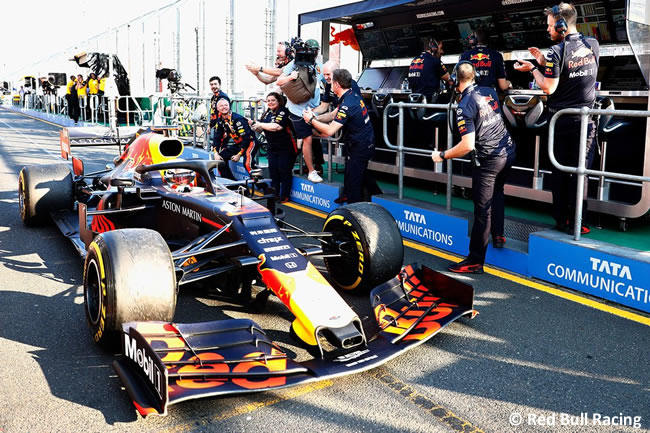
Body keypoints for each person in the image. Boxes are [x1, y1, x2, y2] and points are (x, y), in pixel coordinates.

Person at [514, 2, 599, 234]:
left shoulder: (556, 51)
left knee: (560, 172)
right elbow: (572, 69)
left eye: (550, 26)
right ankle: (579, 220)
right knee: (581, 172)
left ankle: (562, 221)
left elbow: (548, 88)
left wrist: (533, 69)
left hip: (560, 122)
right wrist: (544, 62)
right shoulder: (593, 44)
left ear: (562, 26)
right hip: (586, 121)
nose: (548, 30)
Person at [432, 61, 516, 274]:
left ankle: (475, 261)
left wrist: (442, 155)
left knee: (482, 211)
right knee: (498, 192)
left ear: (455, 79)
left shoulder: (464, 105)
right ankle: (498, 235)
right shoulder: (489, 91)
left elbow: (467, 145)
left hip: (489, 160)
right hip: (509, 151)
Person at [303, 69, 382, 204]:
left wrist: (311, 120)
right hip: (358, 142)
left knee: (354, 181)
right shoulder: (351, 95)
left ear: (337, 85)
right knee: (360, 174)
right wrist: (315, 117)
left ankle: (354, 212)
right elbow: (334, 115)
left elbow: (329, 131)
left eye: (332, 82)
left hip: (361, 145)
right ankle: (378, 199)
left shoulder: (348, 103)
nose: (330, 84)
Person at [276, 38, 324, 183]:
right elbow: (279, 81)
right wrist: (291, 76)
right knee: (307, 139)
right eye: (311, 50)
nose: (313, 54)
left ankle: (317, 165)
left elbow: (324, 81)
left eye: (315, 51)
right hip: (298, 110)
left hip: (314, 109)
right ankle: (311, 171)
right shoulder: (294, 64)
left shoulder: (319, 67)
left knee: (315, 139)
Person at [250, 92, 297, 203]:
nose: (270, 102)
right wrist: (253, 125)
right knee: (273, 172)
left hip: (286, 147)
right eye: (268, 100)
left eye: (273, 100)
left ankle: (285, 195)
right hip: (272, 147)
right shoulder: (267, 114)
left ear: (279, 101)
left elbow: (276, 127)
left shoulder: (283, 111)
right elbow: (261, 130)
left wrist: (260, 124)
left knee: (284, 171)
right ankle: (274, 194)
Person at [211, 98, 258, 181]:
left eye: (226, 105)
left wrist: (239, 154)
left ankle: (263, 187)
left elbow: (247, 138)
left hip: (250, 143)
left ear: (229, 106)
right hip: (239, 144)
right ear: (217, 108)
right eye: (221, 106)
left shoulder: (237, 120)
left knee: (247, 164)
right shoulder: (220, 121)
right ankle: (230, 183)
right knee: (220, 159)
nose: (224, 107)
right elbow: (217, 138)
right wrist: (215, 153)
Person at [407, 37, 453, 103]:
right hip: (430, 104)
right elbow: (450, 81)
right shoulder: (435, 61)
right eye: (440, 48)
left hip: (414, 103)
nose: (442, 52)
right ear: (433, 48)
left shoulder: (414, 60)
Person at [207, 75, 231, 148]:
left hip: (223, 127)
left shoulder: (223, 97)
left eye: (215, 84)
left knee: (220, 148)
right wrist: (210, 125)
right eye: (211, 84)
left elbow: (226, 113)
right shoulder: (213, 98)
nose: (213, 86)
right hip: (217, 127)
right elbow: (213, 113)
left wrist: (226, 130)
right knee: (216, 147)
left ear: (219, 85)